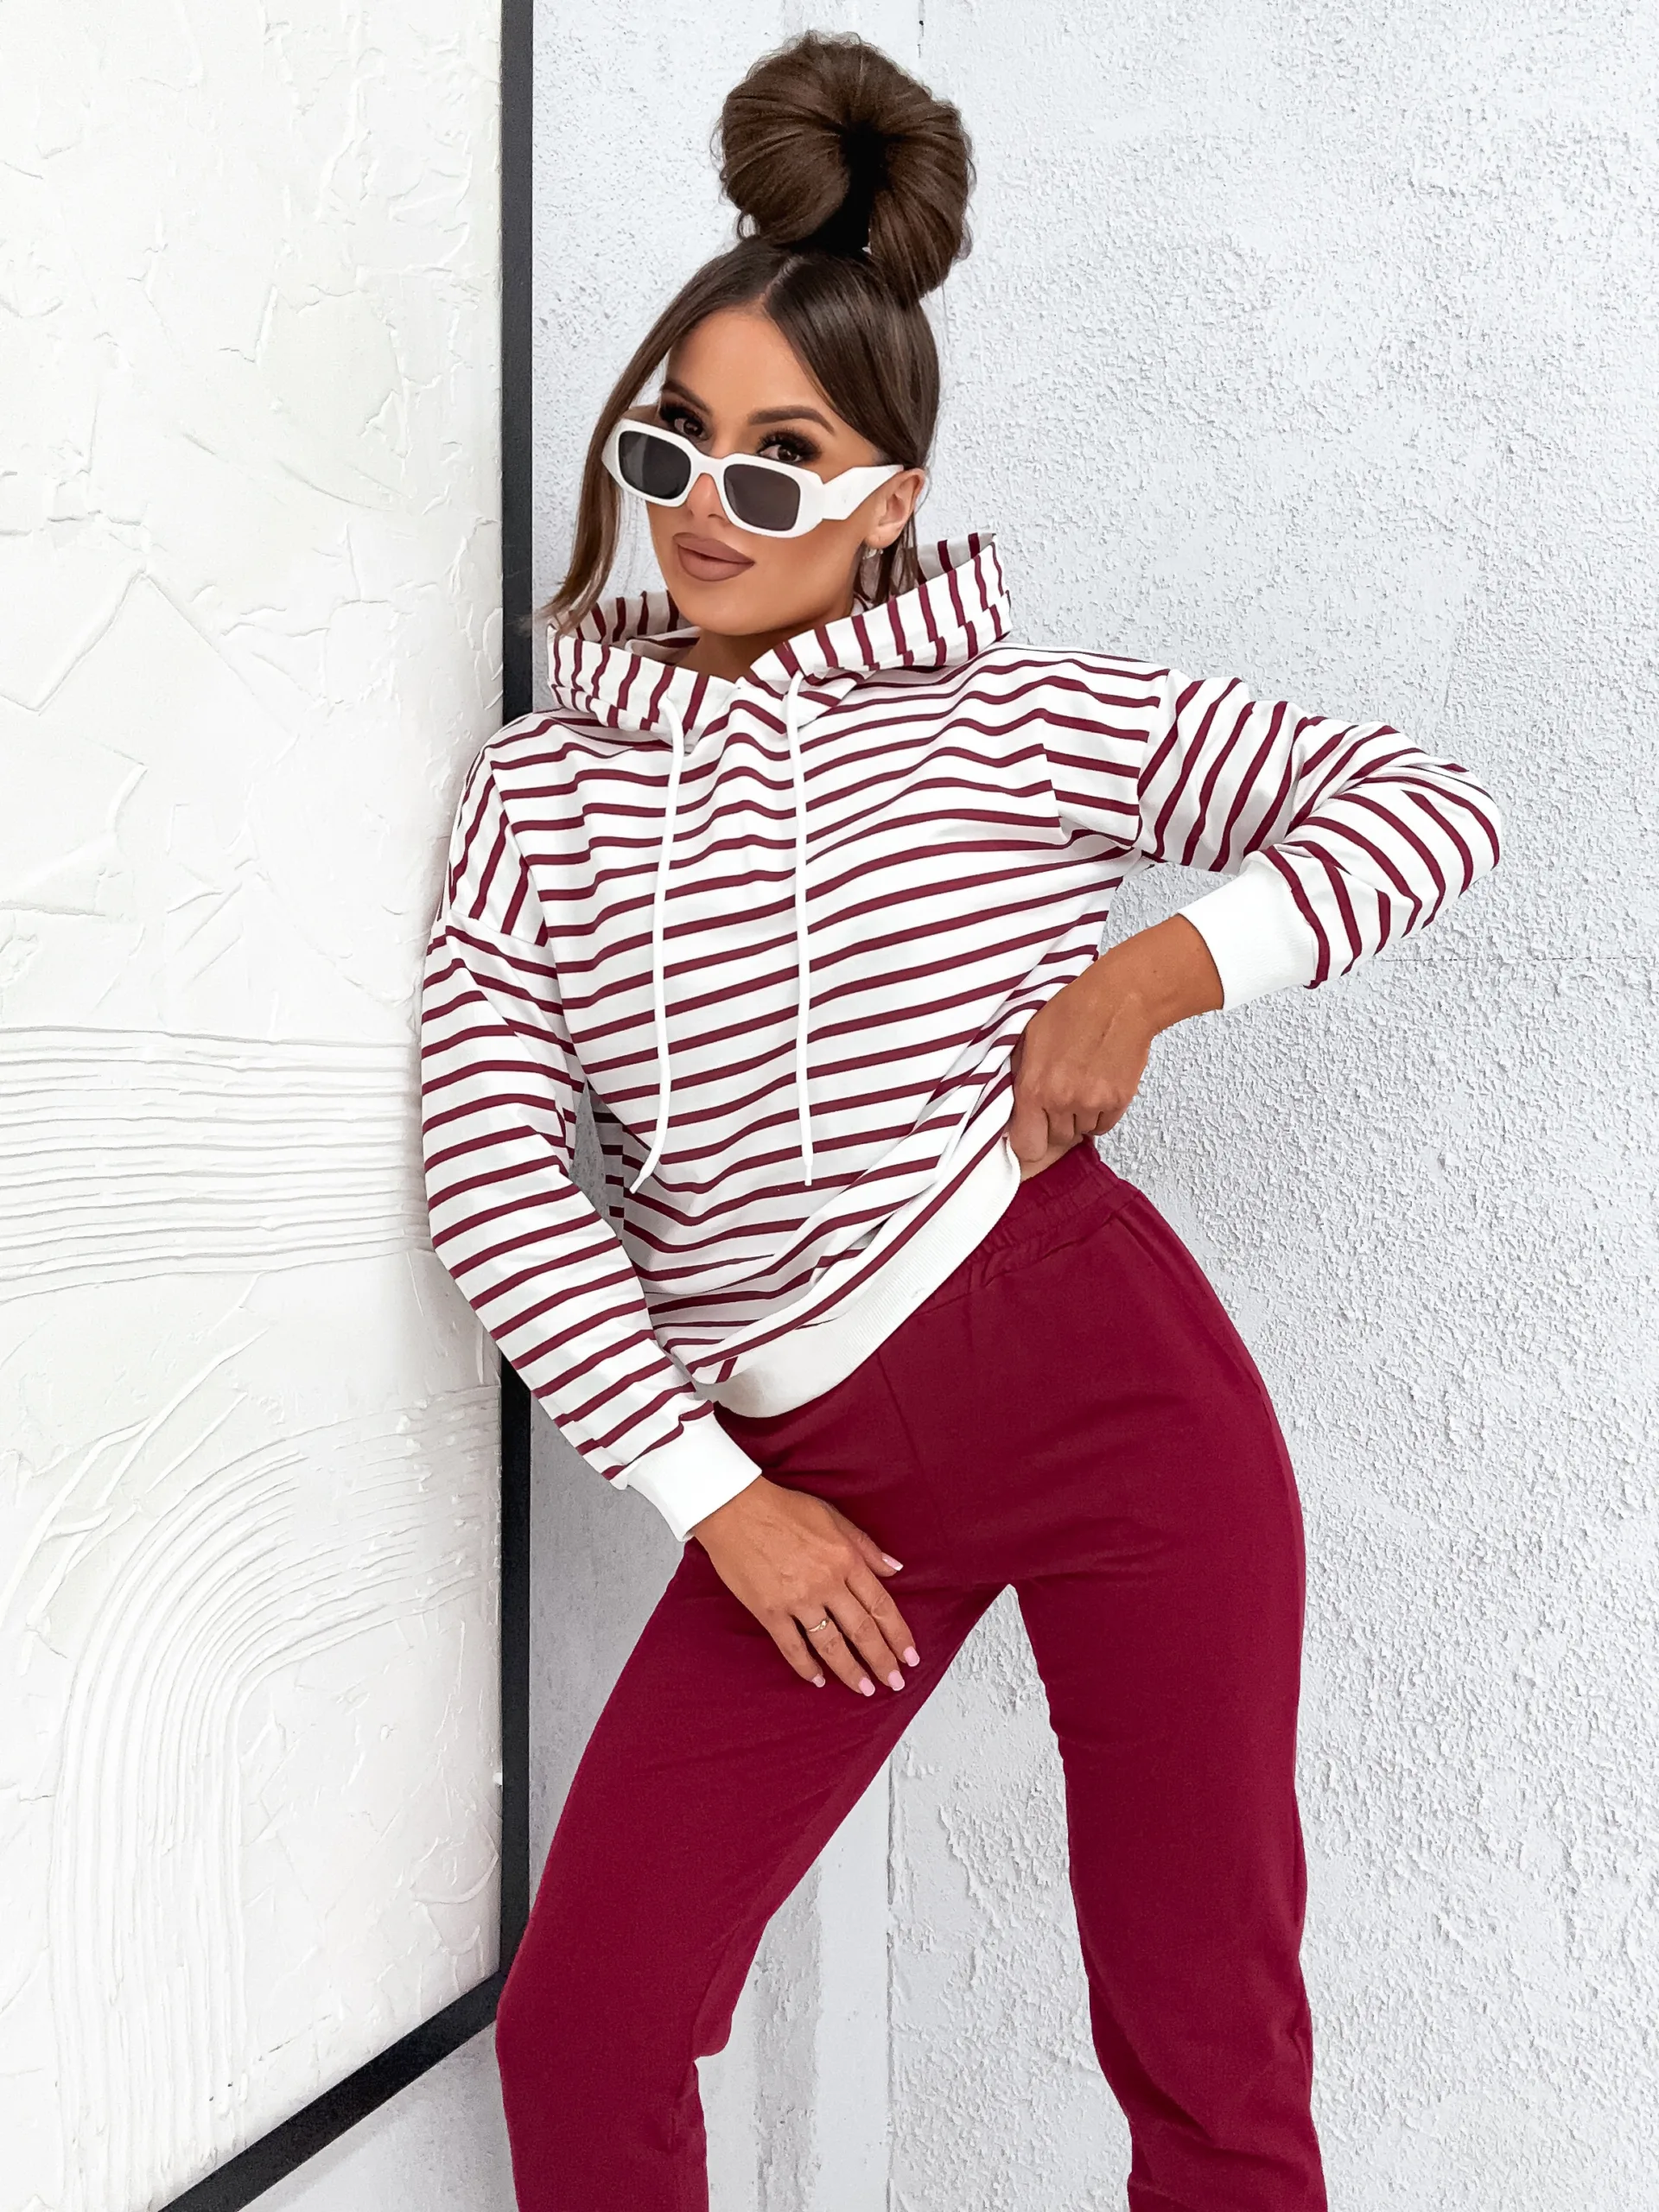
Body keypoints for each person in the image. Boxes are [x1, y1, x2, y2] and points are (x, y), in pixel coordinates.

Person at [418, 30, 1502, 2212]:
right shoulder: (544, 794)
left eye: (783, 464)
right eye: (673, 442)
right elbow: (490, 1163)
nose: (706, 506)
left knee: (1206, 2042)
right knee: (590, 2020)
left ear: (887, 500)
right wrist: (719, 1494)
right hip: (801, 1482)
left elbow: (1426, 800)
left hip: (1109, 1386)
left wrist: (1154, 971)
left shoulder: (1023, 720)